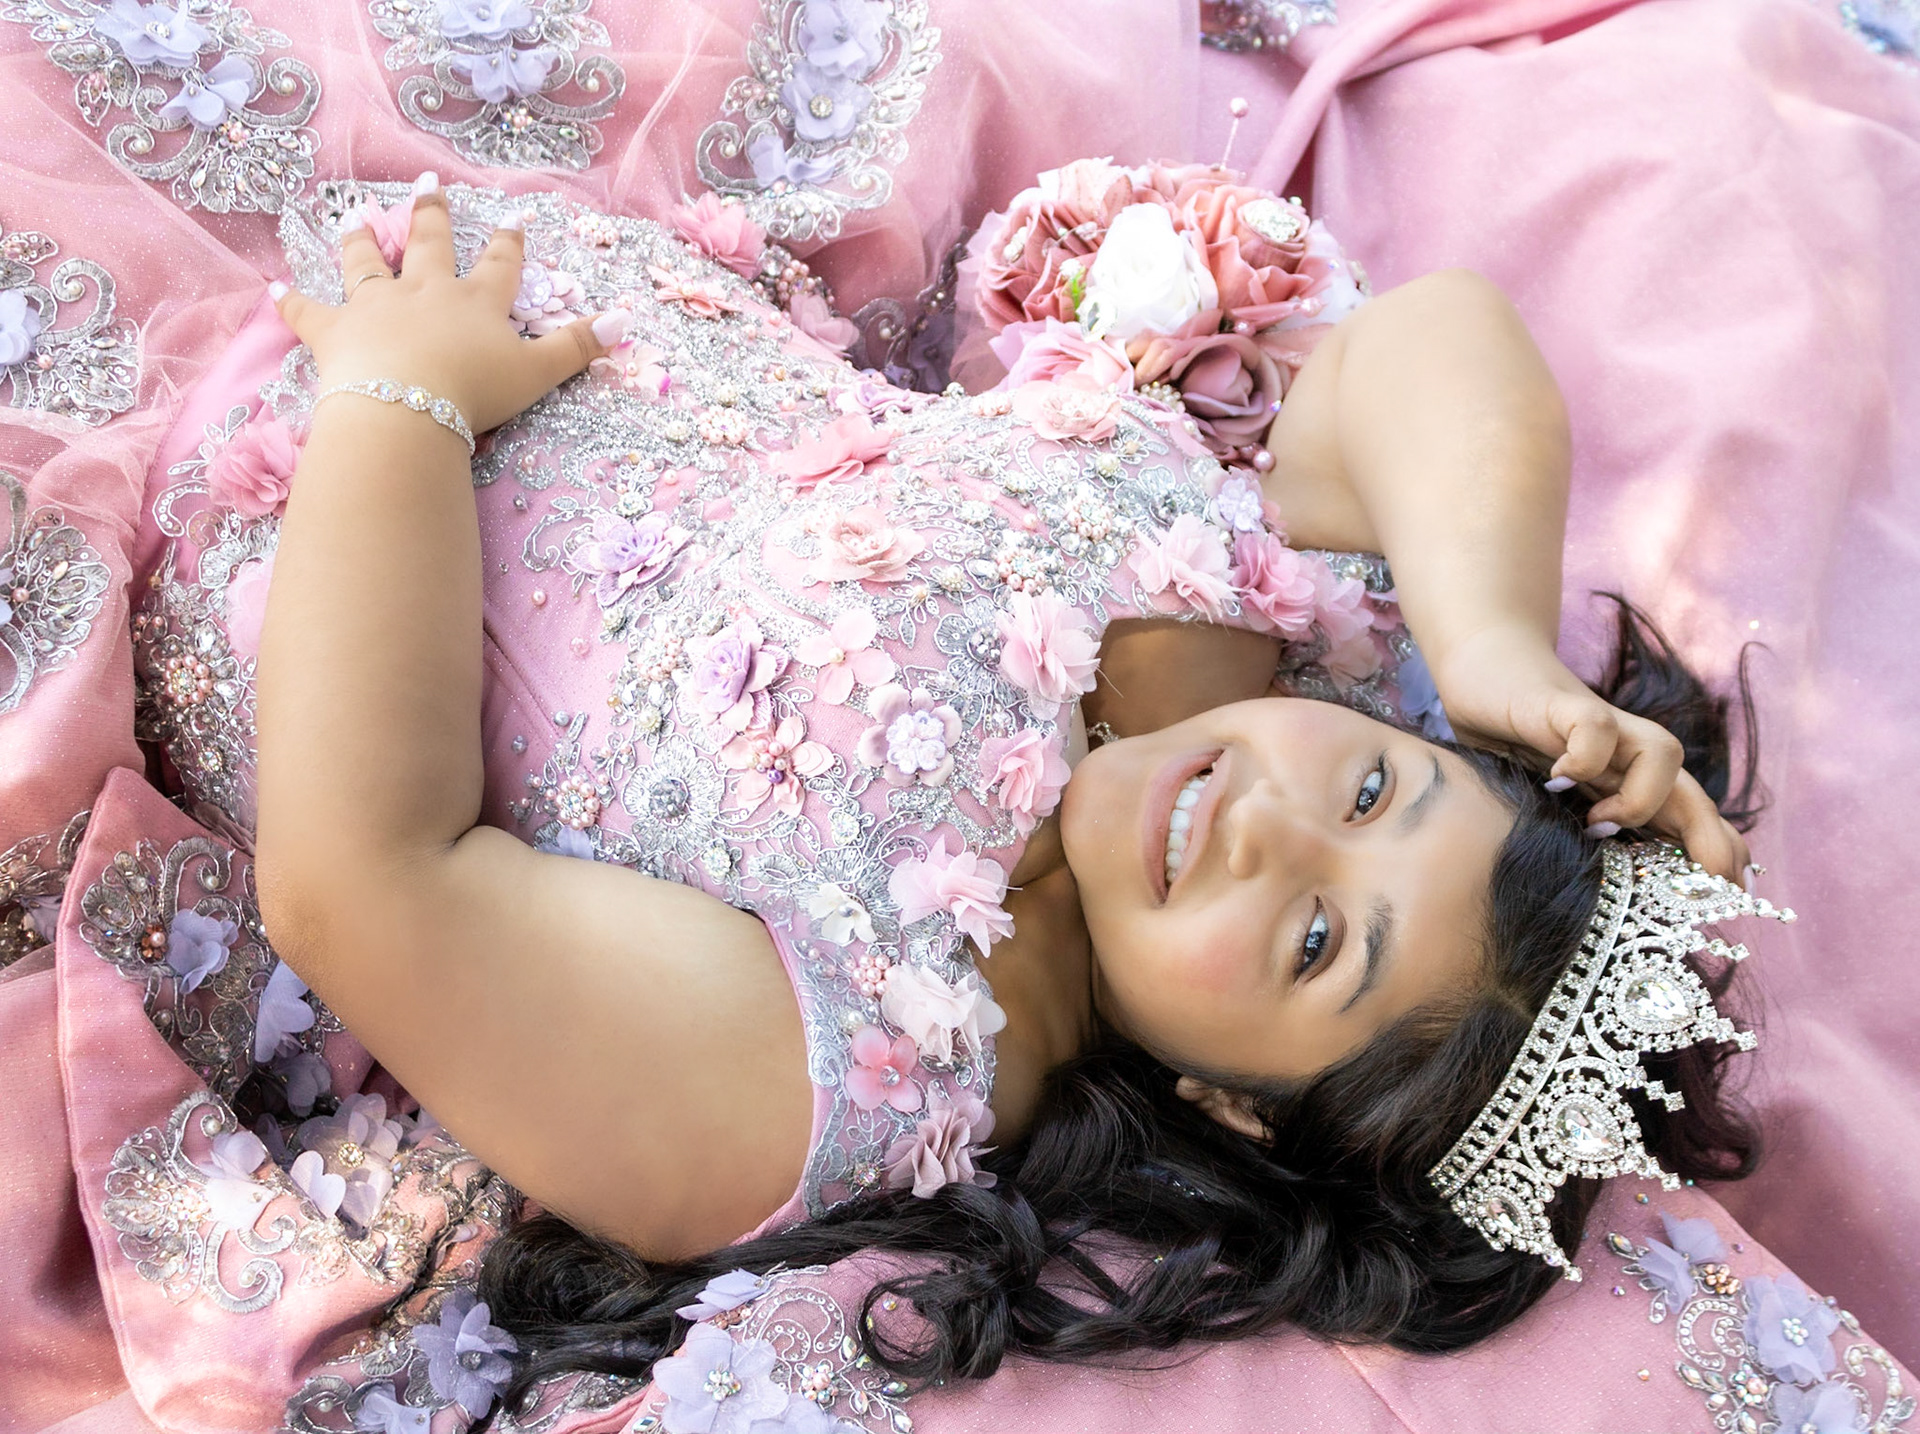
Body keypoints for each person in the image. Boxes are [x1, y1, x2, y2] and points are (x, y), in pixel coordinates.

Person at [246, 173, 1763, 1404]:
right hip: (526, 248)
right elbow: (1426, 338)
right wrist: (1489, 638)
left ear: (1238, 1112)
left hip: (303, 427)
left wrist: (397, 398)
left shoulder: (834, 1071)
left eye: (1317, 942)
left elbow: (362, 877)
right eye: (1375, 789)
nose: (1270, 821)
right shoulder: (1251, 645)